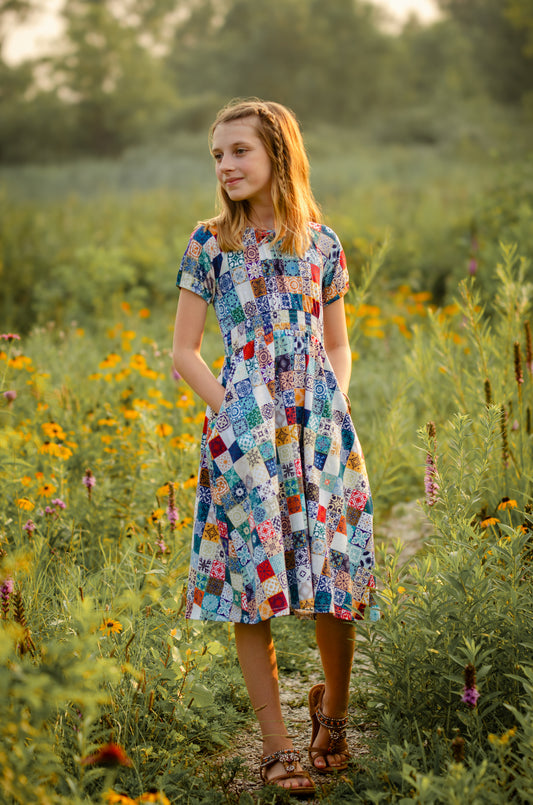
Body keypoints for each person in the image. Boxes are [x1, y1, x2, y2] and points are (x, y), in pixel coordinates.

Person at [173, 99, 375, 796]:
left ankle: (334, 720)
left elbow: (338, 343)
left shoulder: (321, 243)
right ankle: (277, 743)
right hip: (244, 436)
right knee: (250, 587)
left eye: (238, 152)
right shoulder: (209, 244)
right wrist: (235, 414)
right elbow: (183, 352)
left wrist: (333, 406)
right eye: (217, 156)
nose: (225, 166)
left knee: (332, 579)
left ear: (277, 156)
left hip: (318, 428)